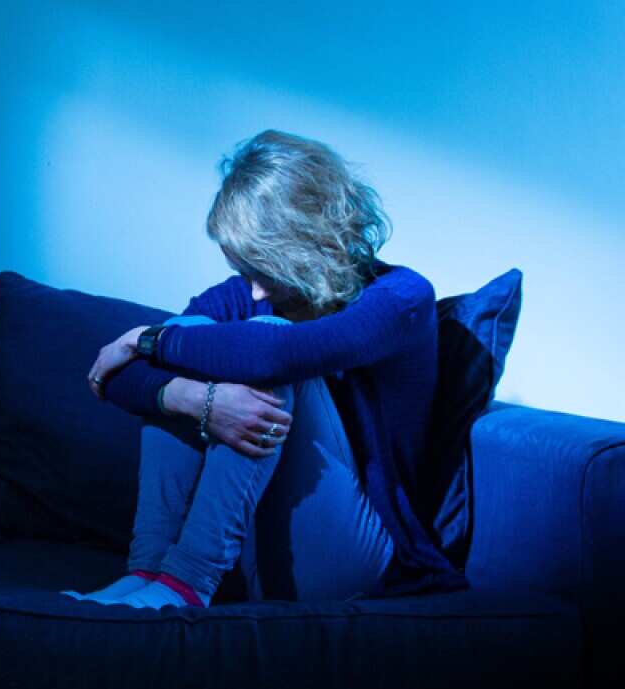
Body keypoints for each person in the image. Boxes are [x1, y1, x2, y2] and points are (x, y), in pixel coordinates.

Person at [61, 129, 466, 610]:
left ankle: (185, 586)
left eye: (263, 268)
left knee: (256, 337)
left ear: (307, 246)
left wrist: (145, 337)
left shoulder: (400, 298)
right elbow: (121, 379)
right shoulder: (250, 293)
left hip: (362, 555)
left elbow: (274, 356)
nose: (252, 291)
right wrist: (200, 402)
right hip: (261, 548)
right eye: (244, 270)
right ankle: (147, 573)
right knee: (196, 331)